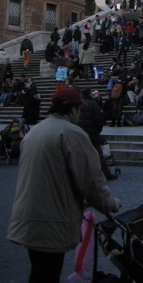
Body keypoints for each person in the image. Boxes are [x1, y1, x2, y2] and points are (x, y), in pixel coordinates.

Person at [8, 88, 121, 283]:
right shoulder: (71, 133)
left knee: (39, 273)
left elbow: (51, 177)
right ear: (73, 110)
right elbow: (91, 180)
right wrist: (110, 204)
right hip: (51, 221)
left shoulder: (35, 132)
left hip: (28, 218)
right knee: (48, 274)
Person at [78, 88, 117, 180]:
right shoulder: (93, 104)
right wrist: (97, 130)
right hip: (92, 131)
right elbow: (99, 120)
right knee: (99, 154)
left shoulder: (78, 104)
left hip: (80, 131)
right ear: (90, 94)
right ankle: (106, 173)